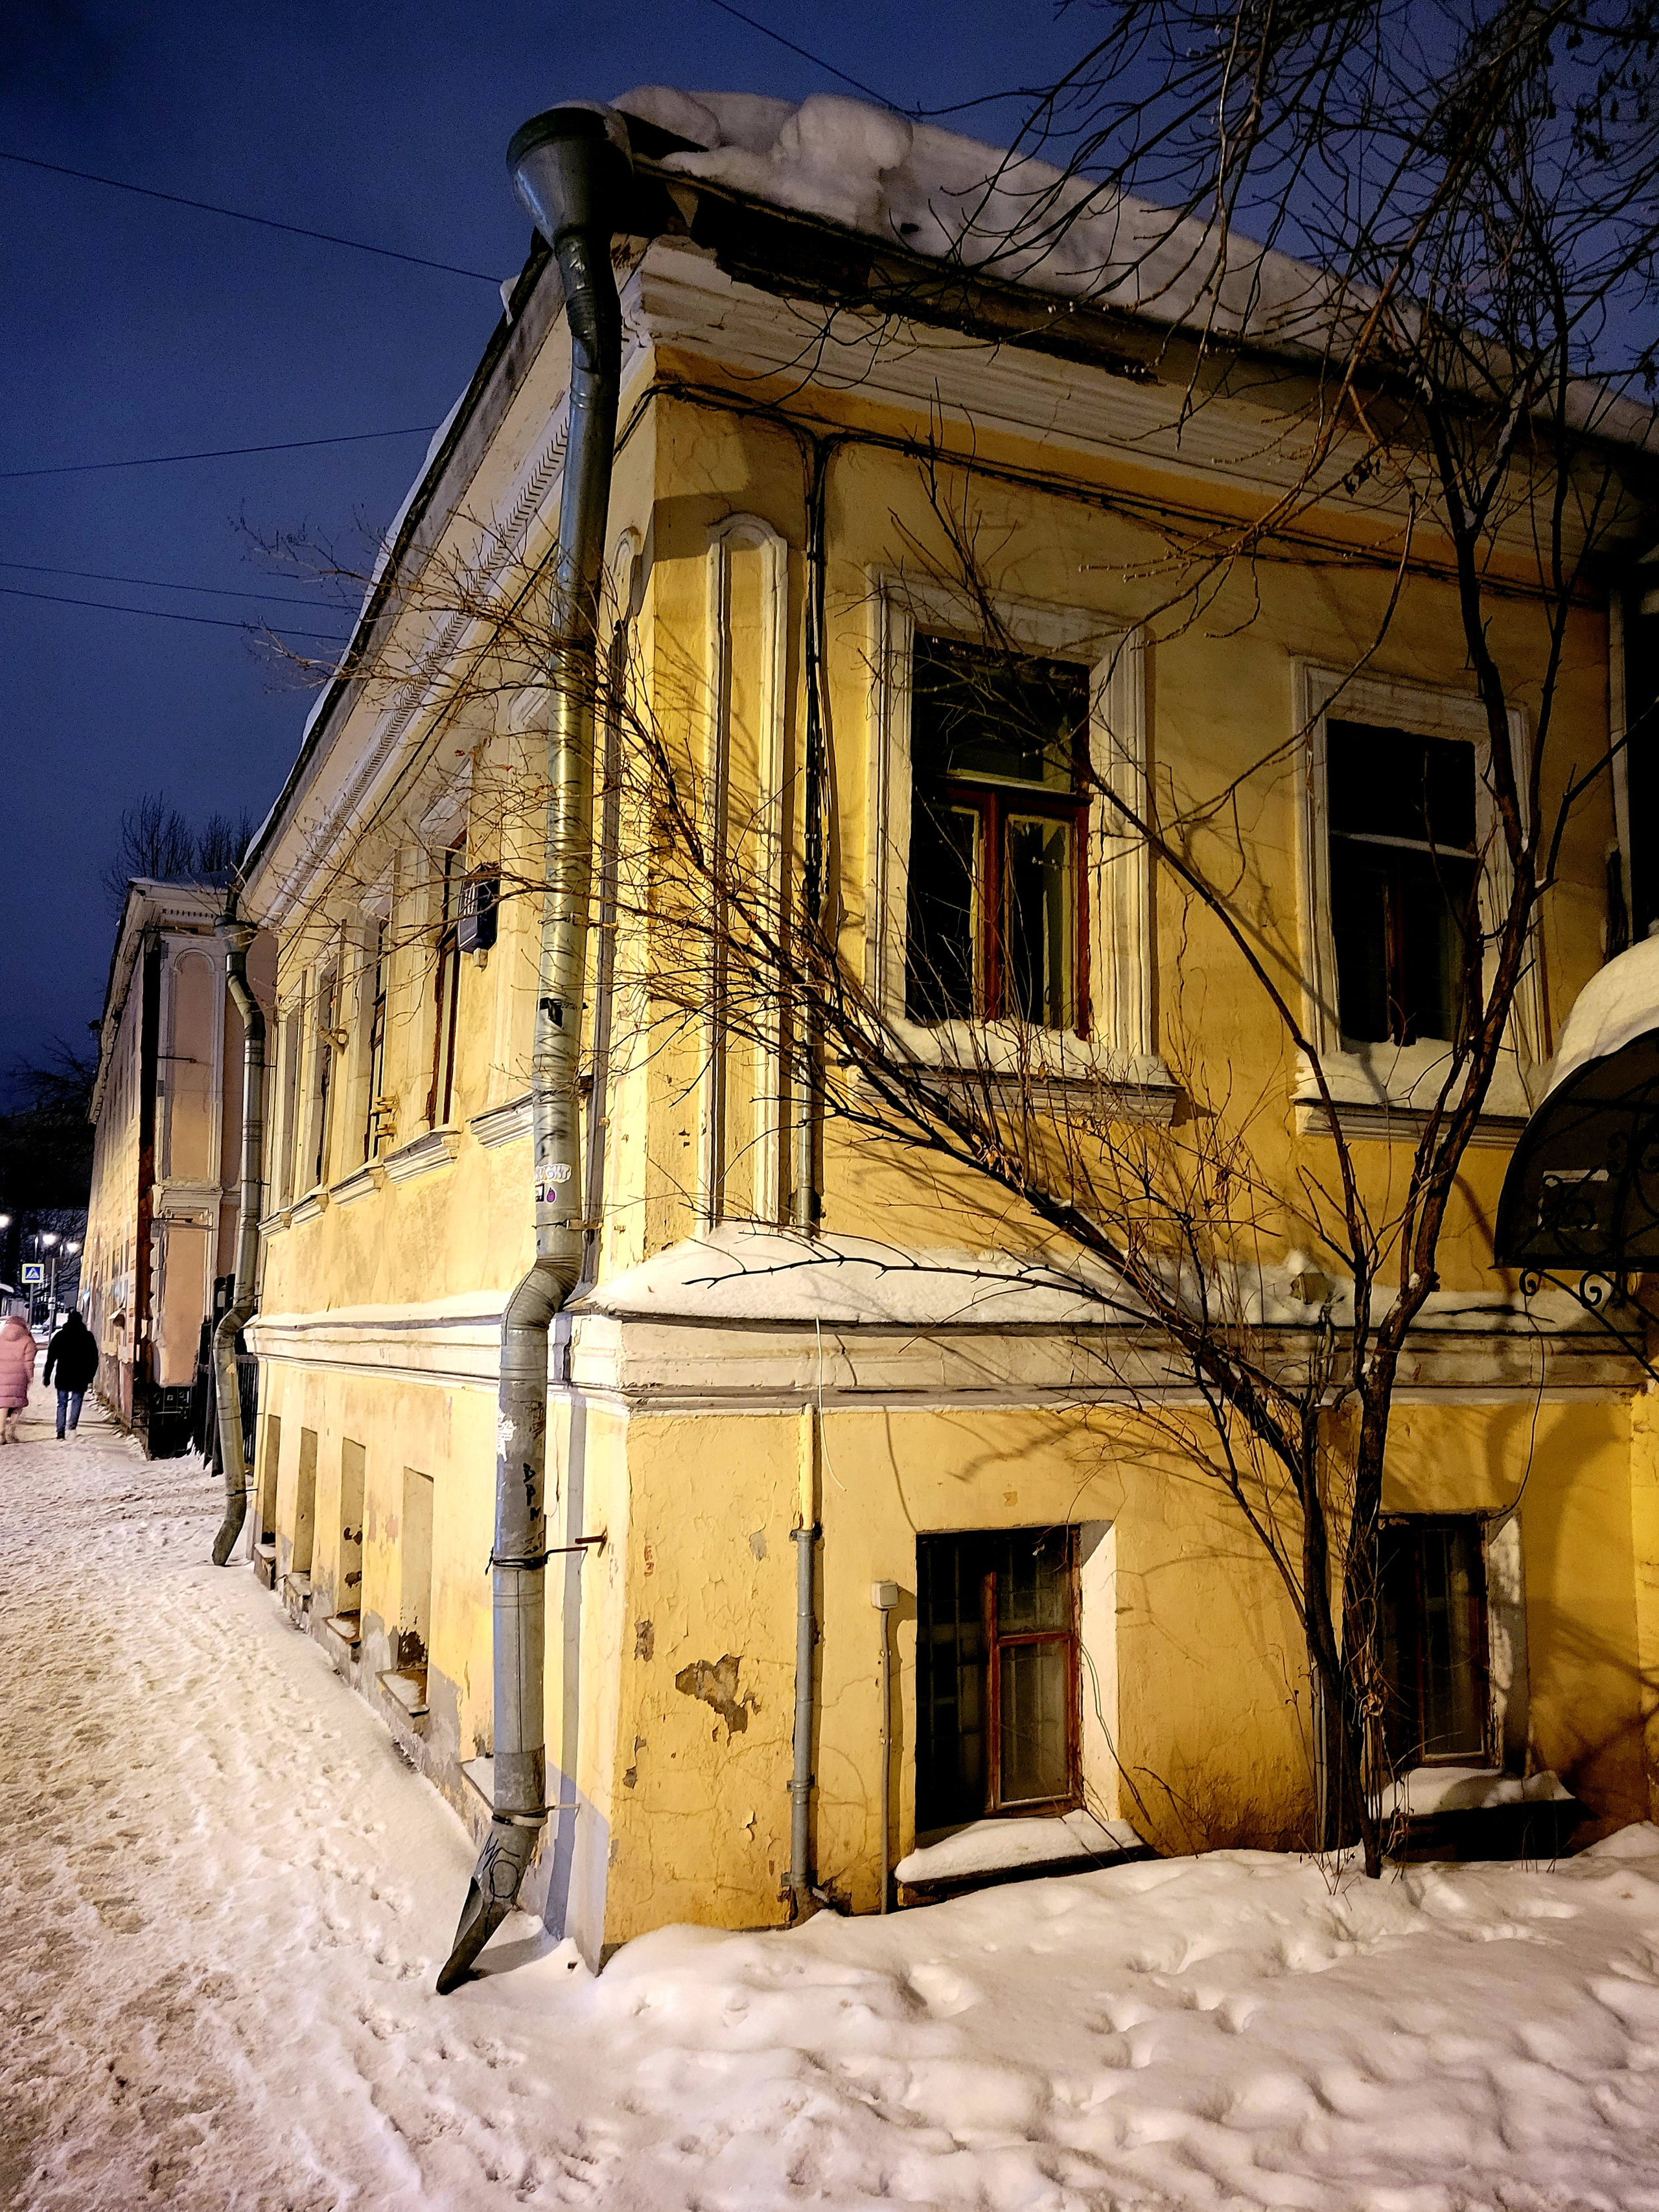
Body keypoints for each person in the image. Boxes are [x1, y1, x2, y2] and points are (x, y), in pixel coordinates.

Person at [43, 1309, 99, 1439]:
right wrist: (90, 1375)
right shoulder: (88, 1337)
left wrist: (47, 1376)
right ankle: (72, 1427)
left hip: (63, 1375)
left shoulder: (60, 1336)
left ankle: (60, 1431)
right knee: (76, 1401)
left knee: (62, 1403)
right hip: (81, 1376)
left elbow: (51, 1357)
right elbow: (94, 1359)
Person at [0, 1313, 38, 1444]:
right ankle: (11, 1432)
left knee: (2, 1404)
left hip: (1, 1375)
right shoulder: (27, 1341)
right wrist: (30, 1376)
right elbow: (29, 1362)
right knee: (17, 1404)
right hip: (19, 1376)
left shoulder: (0, 1339)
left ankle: (0, 1433)